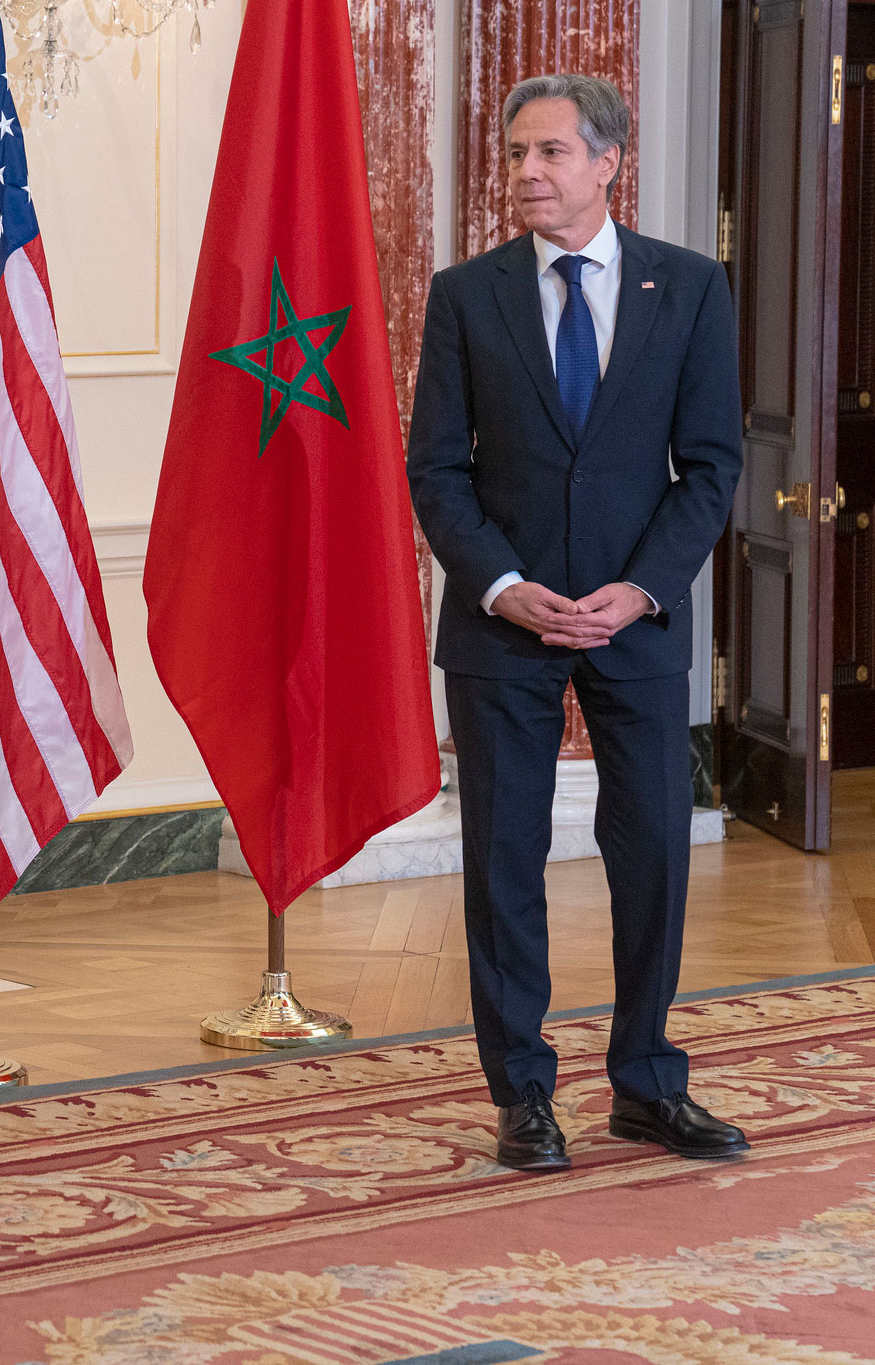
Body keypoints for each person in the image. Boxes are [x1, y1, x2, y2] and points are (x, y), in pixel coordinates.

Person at [407, 74, 748, 1172]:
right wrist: (502, 584)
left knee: (647, 849)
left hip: (633, 622)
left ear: (608, 161)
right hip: (501, 623)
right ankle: (520, 1096)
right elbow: (434, 472)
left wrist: (641, 588)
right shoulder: (465, 294)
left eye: (548, 153)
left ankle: (646, 1085)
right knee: (501, 860)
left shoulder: (688, 289)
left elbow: (708, 467)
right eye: (514, 154)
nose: (524, 174)